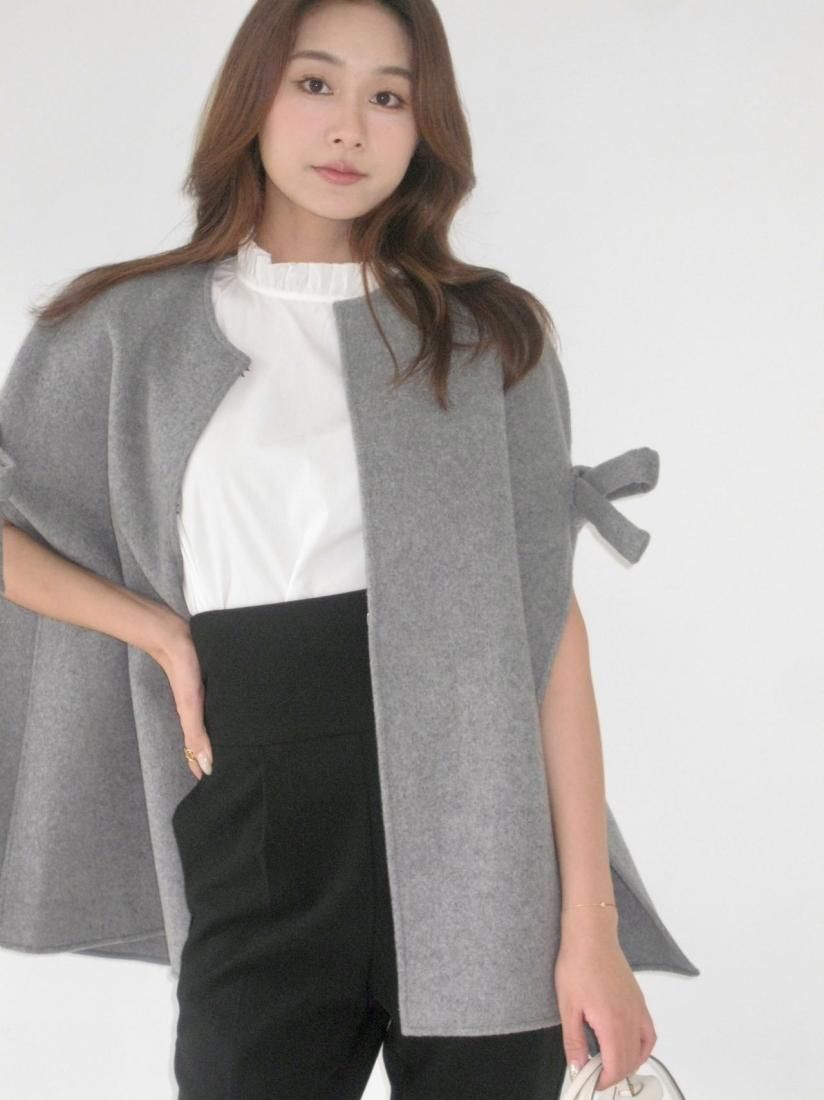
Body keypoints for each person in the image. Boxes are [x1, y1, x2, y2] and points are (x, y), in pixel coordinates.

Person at [0, 1, 700, 1097]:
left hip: (480, 835)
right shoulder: (124, 331)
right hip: (258, 824)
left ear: (425, 130)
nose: (349, 128)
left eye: (388, 97)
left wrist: (590, 927)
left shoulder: (486, 337)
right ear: (253, 98)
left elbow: (545, 633)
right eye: (315, 84)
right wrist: (159, 633)